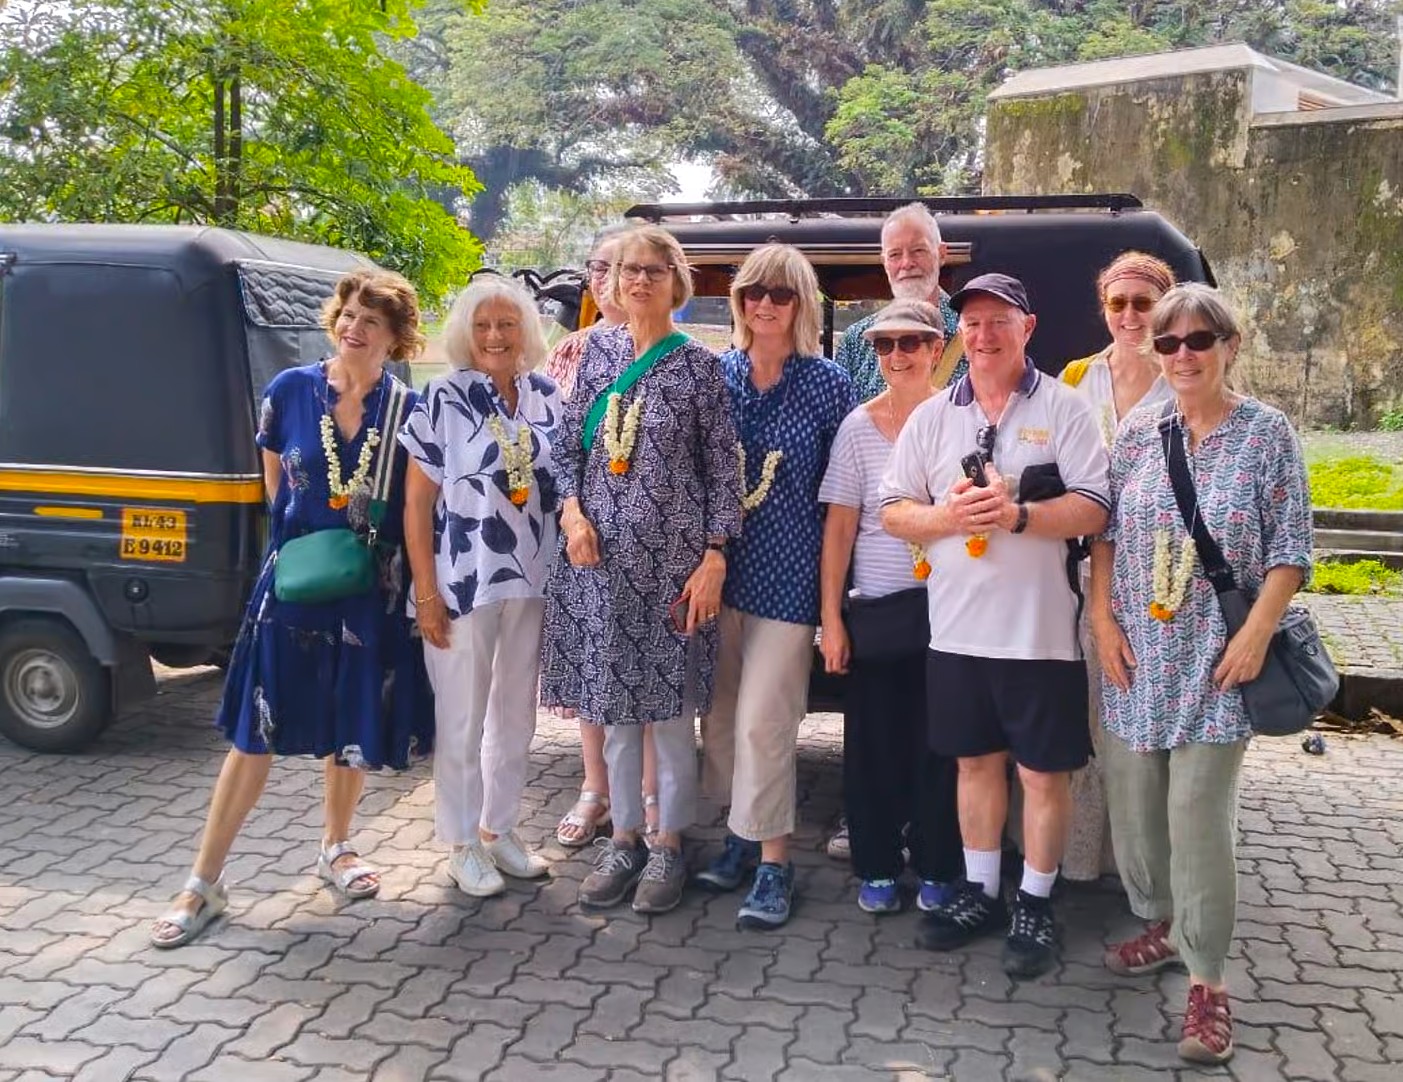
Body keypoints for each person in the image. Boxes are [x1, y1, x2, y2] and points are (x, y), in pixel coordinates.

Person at [150, 269, 433, 948]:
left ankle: (336, 847)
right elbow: (276, 489)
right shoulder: (290, 391)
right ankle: (204, 882)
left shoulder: (408, 409)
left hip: (368, 589)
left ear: (395, 338)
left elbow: (415, 506)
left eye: (371, 320)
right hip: (294, 585)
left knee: (350, 724)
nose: (352, 327)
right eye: (347, 314)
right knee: (255, 731)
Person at [1091, 283, 1311, 1065]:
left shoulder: (1264, 434)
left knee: (1196, 815)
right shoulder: (1138, 433)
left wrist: (1256, 634)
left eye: (1197, 340)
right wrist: (1100, 619)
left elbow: (1289, 550)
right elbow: (1105, 535)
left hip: (1218, 663)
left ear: (1228, 346)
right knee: (1136, 808)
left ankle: (1207, 982)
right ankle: (1158, 921)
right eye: (1168, 343)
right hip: (1136, 656)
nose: (1182, 355)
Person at [880, 272, 1109, 979]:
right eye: (970, 322)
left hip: (1040, 634)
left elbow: (1096, 509)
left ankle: (1034, 902)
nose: (982, 335)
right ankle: (980, 891)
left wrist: (1016, 516)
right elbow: (892, 510)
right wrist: (945, 518)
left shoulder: (1065, 409)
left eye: (997, 321)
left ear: (1027, 328)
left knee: (1043, 776)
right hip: (954, 632)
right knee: (973, 765)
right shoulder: (930, 417)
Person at [540, 225, 742, 915]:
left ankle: (667, 844)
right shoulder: (592, 352)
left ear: (675, 282)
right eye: (628, 269)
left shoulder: (699, 367)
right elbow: (565, 449)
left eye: (654, 270)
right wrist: (570, 514)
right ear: (613, 281)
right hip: (597, 565)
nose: (640, 281)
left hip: (672, 570)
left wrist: (715, 553)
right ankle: (623, 835)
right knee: (611, 709)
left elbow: (723, 469)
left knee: (667, 713)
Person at [694, 244, 855, 929]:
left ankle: (773, 864)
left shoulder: (827, 384)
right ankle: (736, 836)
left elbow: (843, 500)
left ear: (801, 305)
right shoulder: (713, 376)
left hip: (790, 577)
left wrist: (832, 604)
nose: (764, 304)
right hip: (717, 575)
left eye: (780, 295)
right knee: (722, 721)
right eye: (753, 292)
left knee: (766, 723)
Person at [400, 276, 561, 897]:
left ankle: (501, 829)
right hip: (463, 582)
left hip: (533, 579)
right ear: (467, 334)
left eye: (508, 324)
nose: (495, 336)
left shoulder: (547, 397)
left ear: (526, 331)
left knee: (515, 716)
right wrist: (425, 592)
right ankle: (461, 842)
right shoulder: (442, 398)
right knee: (463, 715)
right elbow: (417, 505)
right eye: (484, 325)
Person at [818, 300, 963, 915]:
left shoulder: (961, 420)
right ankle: (876, 865)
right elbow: (841, 529)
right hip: (877, 609)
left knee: (941, 746)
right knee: (872, 745)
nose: (897, 356)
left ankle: (937, 864)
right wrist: (831, 619)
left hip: (951, 610)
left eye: (911, 343)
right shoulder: (857, 426)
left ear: (936, 350)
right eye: (885, 345)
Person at [1057, 251, 1177, 883]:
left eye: (1142, 302)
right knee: (1086, 716)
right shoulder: (1078, 376)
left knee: (1142, 720)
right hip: (1082, 570)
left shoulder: (1183, 374)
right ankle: (1082, 861)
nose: (1130, 315)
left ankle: (1143, 867)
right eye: (1118, 303)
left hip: (1163, 575)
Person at [545, 233, 660, 850]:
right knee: (593, 667)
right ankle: (595, 789)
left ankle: (643, 798)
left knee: (641, 673)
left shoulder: (679, 355)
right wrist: (571, 514)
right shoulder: (573, 352)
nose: (608, 277)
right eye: (599, 267)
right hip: (585, 536)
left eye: (621, 267)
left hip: (649, 544)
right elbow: (557, 445)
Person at [834, 201, 962, 405]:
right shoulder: (855, 341)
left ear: (942, 254)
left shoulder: (973, 336)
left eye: (918, 250)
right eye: (895, 254)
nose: (906, 263)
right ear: (884, 262)